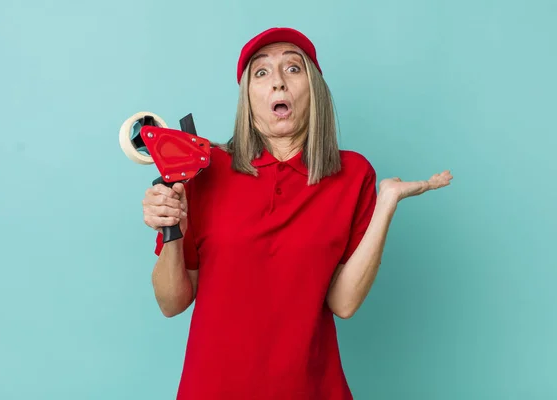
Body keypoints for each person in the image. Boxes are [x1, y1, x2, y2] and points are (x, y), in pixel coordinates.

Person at [142, 27, 452, 400]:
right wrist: (172, 228)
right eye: (261, 72)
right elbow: (171, 302)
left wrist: (386, 203)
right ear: (248, 97)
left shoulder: (352, 175)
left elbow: (344, 302)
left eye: (293, 68)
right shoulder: (204, 168)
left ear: (314, 89)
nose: (278, 83)